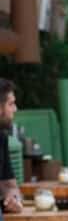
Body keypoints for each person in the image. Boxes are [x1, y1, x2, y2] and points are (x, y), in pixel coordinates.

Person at [0, 79, 20, 212]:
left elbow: (9, 185)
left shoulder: (1, 137)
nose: (15, 109)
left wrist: (13, 199)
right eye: (11, 104)